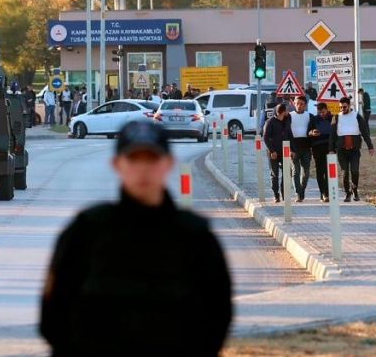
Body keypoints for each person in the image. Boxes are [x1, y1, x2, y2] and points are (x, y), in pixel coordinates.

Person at [40, 121, 232, 356]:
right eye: (134, 159)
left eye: (152, 159)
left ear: (168, 164)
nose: (143, 169)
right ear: (117, 164)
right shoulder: (87, 231)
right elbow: (53, 315)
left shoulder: (194, 237)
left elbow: (217, 316)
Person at [329, 97, 375, 202]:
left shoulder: (357, 116)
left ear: (349, 106)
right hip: (341, 150)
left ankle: (355, 190)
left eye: (344, 107)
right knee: (345, 172)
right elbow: (332, 135)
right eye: (340, 107)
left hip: (354, 150)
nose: (342, 109)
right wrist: (331, 149)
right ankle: (347, 193)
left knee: (355, 171)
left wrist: (370, 146)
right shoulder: (336, 117)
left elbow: (365, 133)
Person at [263, 103, 291, 203]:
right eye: (287, 110)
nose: (288, 112)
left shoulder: (287, 120)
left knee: (286, 173)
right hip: (273, 152)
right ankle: (276, 195)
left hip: (285, 152)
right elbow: (265, 138)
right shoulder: (270, 122)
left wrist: (293, 150)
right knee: (275, 174)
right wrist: (272, 151)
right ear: (282, 112)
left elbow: (290, 135)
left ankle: (284, 193)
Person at [289, 96, 313, 202]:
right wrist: (289, 148)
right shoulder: (289, 116)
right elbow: (286, 133)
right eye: (297, 103)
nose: (299, 106)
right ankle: (298, 193)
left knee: (306, 172)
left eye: (301, 104)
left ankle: (302, 190)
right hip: (293, 147)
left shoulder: (310, 116)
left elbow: (313, 129)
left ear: (305, 105)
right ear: (294, 104)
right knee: (295, 171)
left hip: (306, 147)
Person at [308, 102, 332, 202]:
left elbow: (336, 133)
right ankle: (322, 193)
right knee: (320, 171)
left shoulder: (333, 119)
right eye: (319, 112)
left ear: (326, 110)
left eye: (323, 111)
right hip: (317, 148)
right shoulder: (314, 119)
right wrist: (312, 133)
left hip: (329, 149)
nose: (321, 114)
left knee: (329, 172)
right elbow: (308, 132)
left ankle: (327, 193)